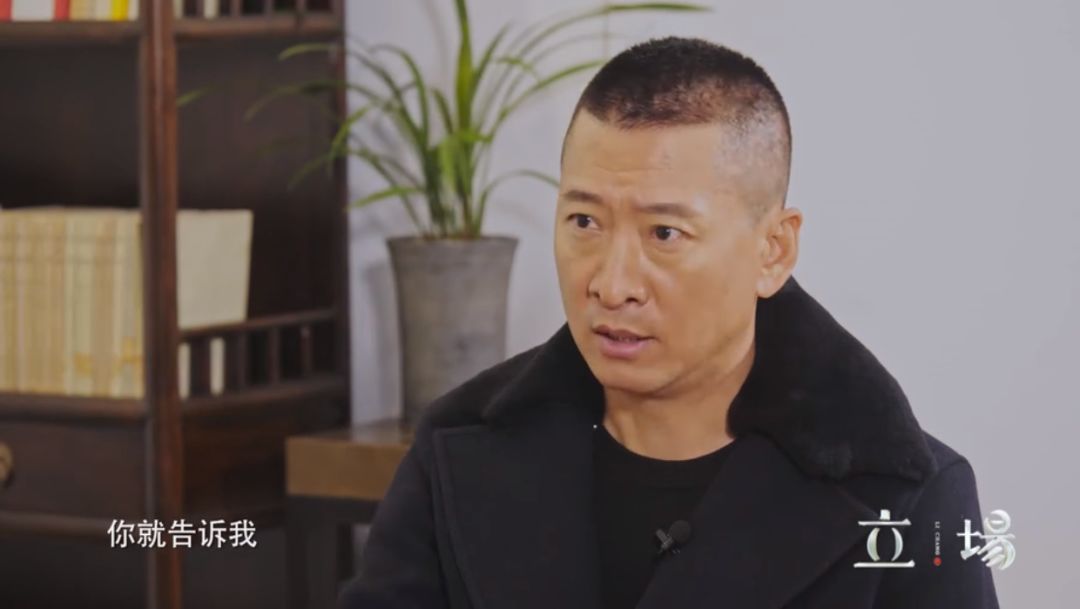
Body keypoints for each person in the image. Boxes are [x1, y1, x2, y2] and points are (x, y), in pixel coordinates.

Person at [339, 36, 1001, 609]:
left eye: (664, 233)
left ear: (772, 250)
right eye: (584, 222)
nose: (611, 284)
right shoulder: (455, 452)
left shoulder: (908, 498)